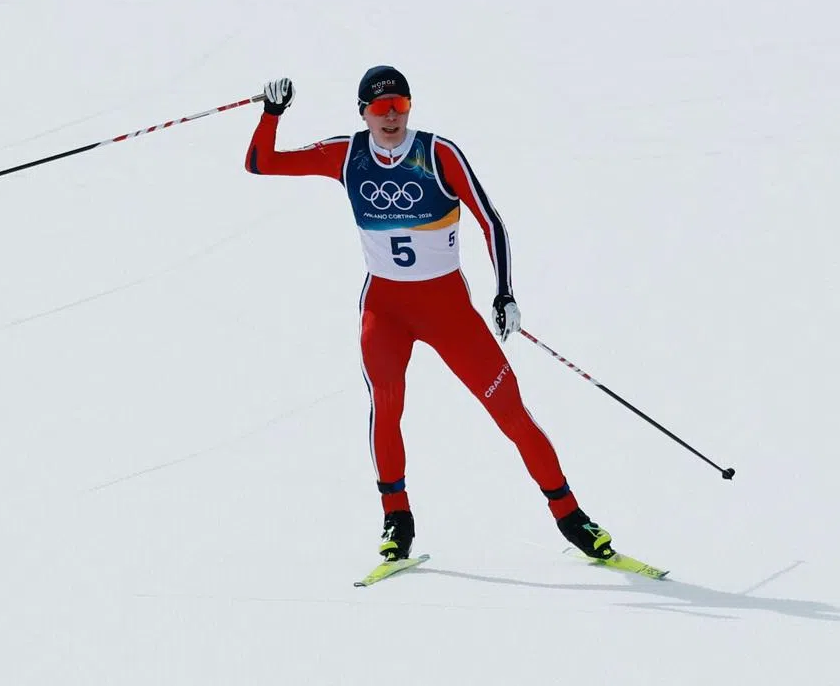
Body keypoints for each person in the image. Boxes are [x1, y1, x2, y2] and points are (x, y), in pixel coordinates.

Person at [245, 66, 615, 563]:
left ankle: (571, 517)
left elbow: (490, 221)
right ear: (364, 113)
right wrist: (272, 113)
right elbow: (260, 163)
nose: (391, 117)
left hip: (448, 313)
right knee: (386, 409)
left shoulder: (438, 154)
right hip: (385, 311)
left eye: (399, 106)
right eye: (381, 109)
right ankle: (396, 519)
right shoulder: (347, 154)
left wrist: (504, 293)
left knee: (510, 411)